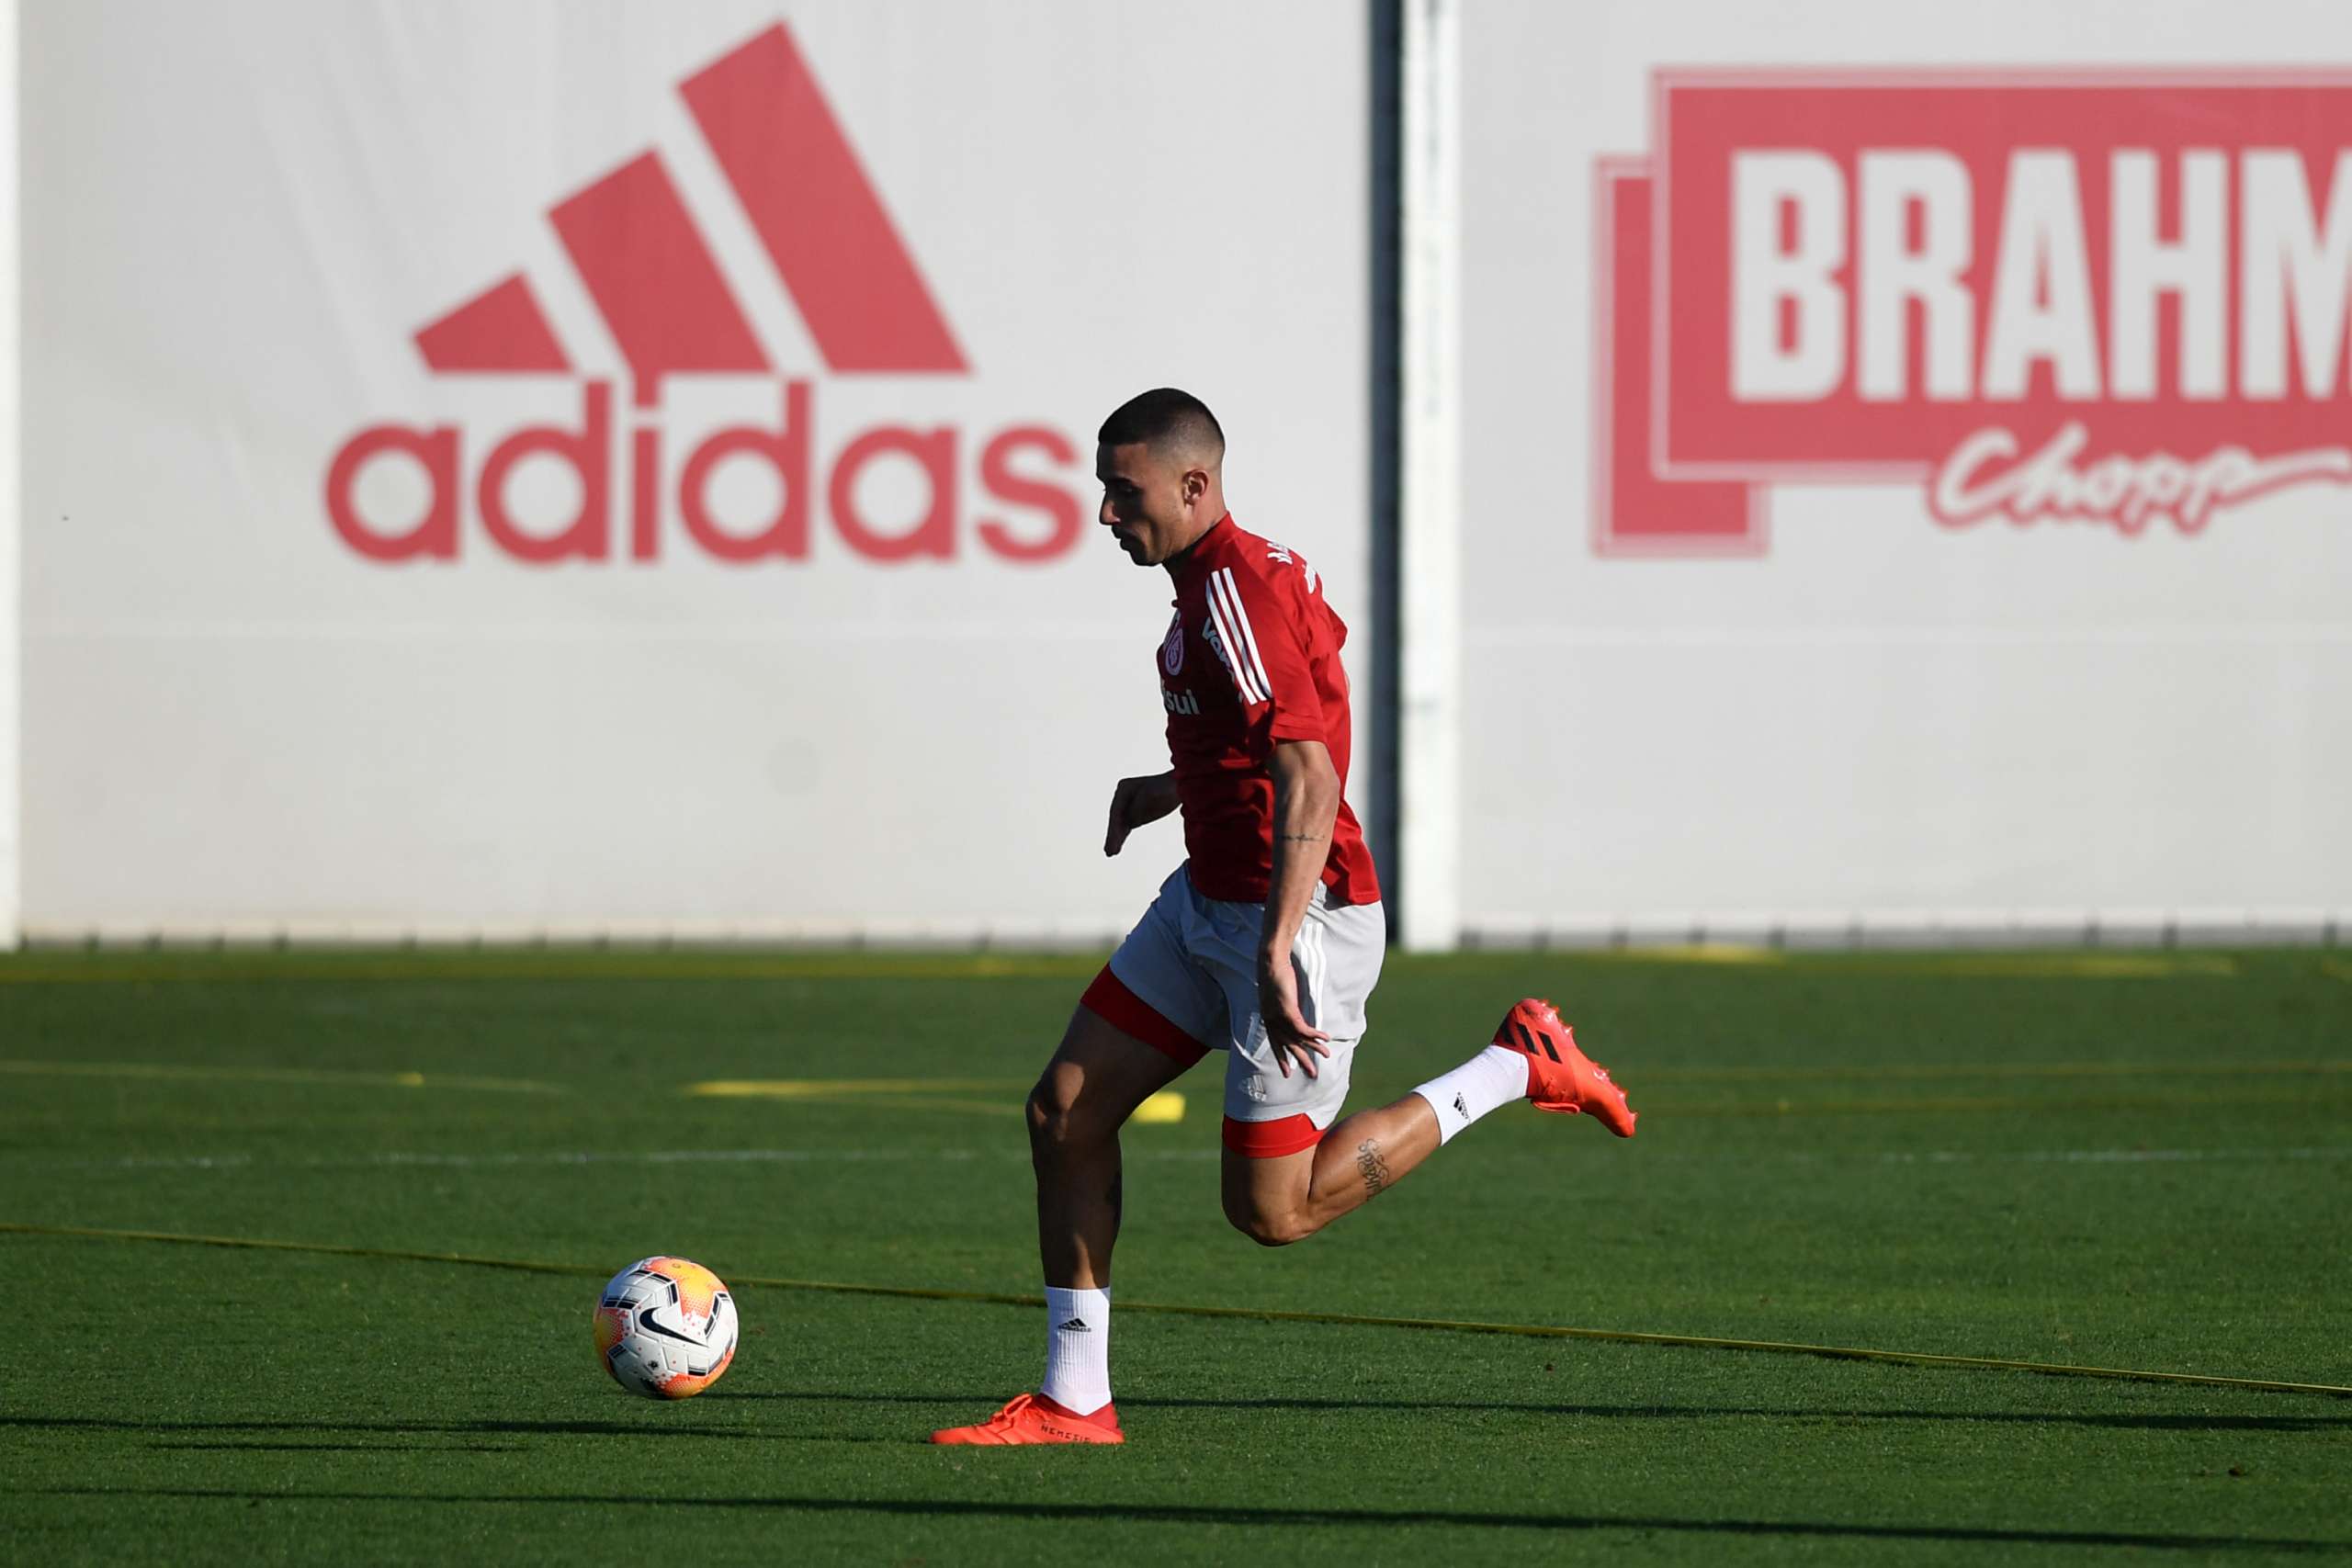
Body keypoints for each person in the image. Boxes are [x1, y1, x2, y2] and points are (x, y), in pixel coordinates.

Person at [930, 389, 1636, 1447]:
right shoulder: (1239, 576)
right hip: (1208, 903)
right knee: (1065, 1112)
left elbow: (1308, 769)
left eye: (1122, 494)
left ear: (1193, 485)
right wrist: (1172, 786)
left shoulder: (1232, 595)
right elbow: (1282, 715)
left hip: (1299, 924)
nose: (1104, 514)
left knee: (1275, 1212)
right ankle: (1076, 1399)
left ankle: (1513, 1064)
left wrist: (1274, 939)